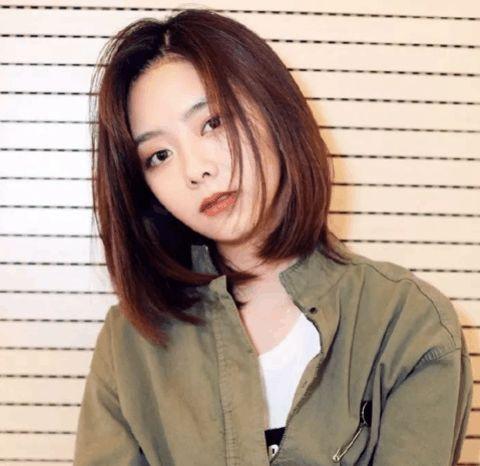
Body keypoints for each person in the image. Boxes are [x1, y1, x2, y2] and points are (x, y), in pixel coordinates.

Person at [73, 8, 473, 466]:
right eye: (159, 154)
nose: (195, 169)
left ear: (274, 111)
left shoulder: (407, 324)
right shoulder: (130, 343)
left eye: (213, 122)